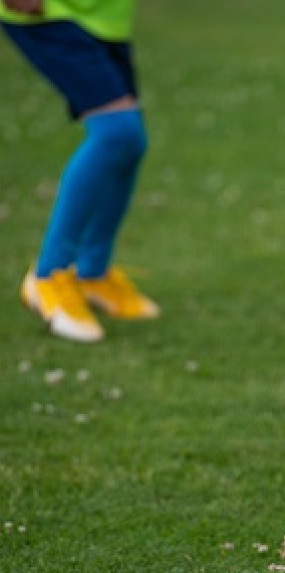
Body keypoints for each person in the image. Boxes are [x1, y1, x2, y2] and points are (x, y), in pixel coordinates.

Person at [1, 0, 159, 343]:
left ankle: (92, 273)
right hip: (49, 11)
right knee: (116, 131)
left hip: (106, 18)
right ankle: (50, 274)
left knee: (130, 143)